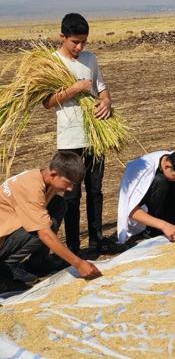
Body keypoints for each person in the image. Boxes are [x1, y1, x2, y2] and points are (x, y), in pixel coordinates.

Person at [42, 13, 113, 255]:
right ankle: (73, 246)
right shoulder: (52, 63)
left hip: (96, 136)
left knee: (95, 190)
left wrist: (106, 103)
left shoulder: (90, 59)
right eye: (75, 42)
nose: (80, 47)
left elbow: (102, 89)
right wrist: (75, 88)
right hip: (70, 139)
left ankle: (96, 241)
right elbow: (48, 102)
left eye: (84, 41)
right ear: (62, 37)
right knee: (72, 195)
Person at [0, 152, 101, 292]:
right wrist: (78, 264)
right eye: (68, 183)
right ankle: (6, 268)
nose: (70, 188)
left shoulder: (42, 176)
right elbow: (44, 234)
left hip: (11, 230)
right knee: (41, 229)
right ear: (53, 174)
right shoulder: (31, 188)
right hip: (3, 239)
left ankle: (38, 263)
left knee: (58, 204)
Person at [116, 150, 175, 244]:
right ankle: (152, 230)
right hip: (147, 214)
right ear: (167, 166)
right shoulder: (142, 170)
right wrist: (164, 226)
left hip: (167, 206)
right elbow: (131, 210)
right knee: (160, 180)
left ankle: (173, 221)